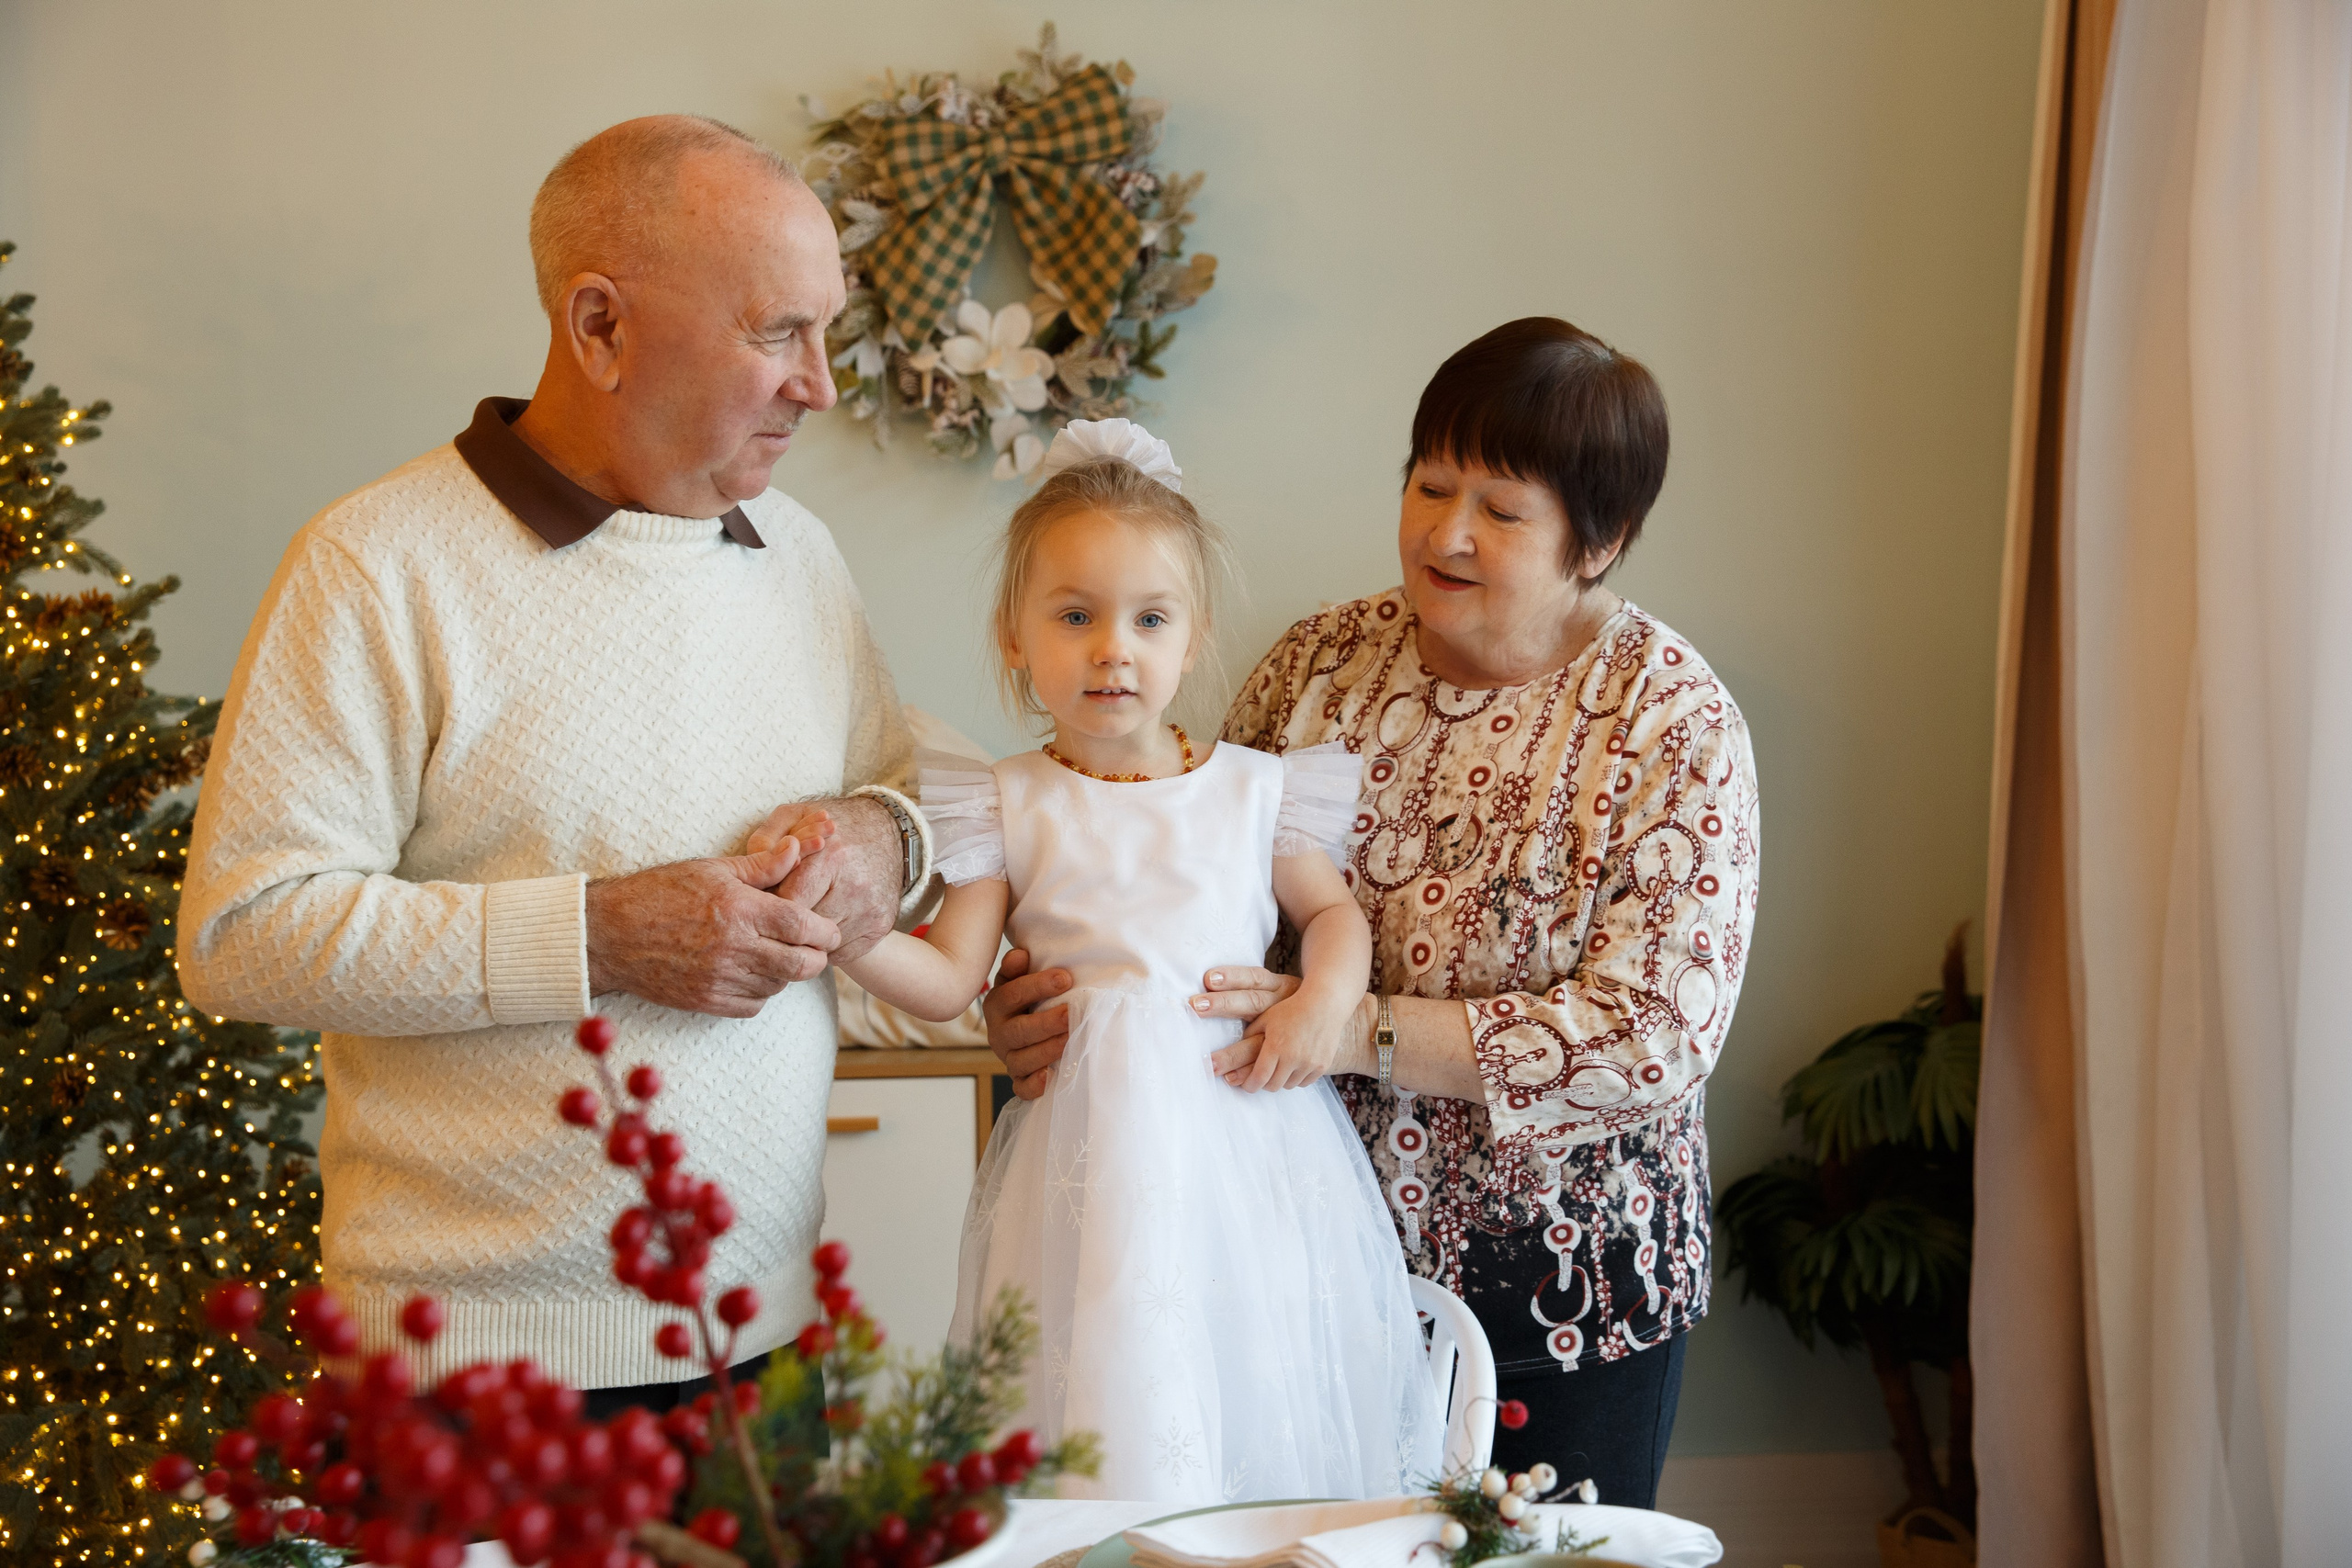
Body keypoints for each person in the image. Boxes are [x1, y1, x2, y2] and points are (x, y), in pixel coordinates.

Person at [178, 117, 934, 1416]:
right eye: (777, 332)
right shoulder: (376, 564)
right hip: (471, 1387)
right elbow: (244, 936)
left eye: (828, 331)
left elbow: (912, 792)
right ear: (600, 329)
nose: (819, 383)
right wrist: (601, 934)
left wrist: (884, 839)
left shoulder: (796, 551)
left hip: (763, 1345)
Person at [986, 320, 1761, 1507]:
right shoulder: (1319, 664)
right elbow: (1180, 894)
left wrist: (1359, 1027)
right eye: (1430, 483)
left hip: (1560, 1280)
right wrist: (1045, 998)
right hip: (1292, 1260)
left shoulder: (1670, 718)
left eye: (1501, 509)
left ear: (1597, 539)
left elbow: (1654, 1031)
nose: (1445, 530)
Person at [831, 418, 1439, 1502]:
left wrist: (1324, 1003)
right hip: (1087, 1164)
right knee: (1105, 1384)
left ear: (1192, 637)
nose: (1113, 646)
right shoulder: (1006, 799)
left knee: (1242, 1376)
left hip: (1243, 1146)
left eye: (1148, 618)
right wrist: (845, 933)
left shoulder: (1259, 789)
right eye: (1074, 617)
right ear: (1014, 637)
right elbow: (949, 977)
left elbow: (1334, 917)